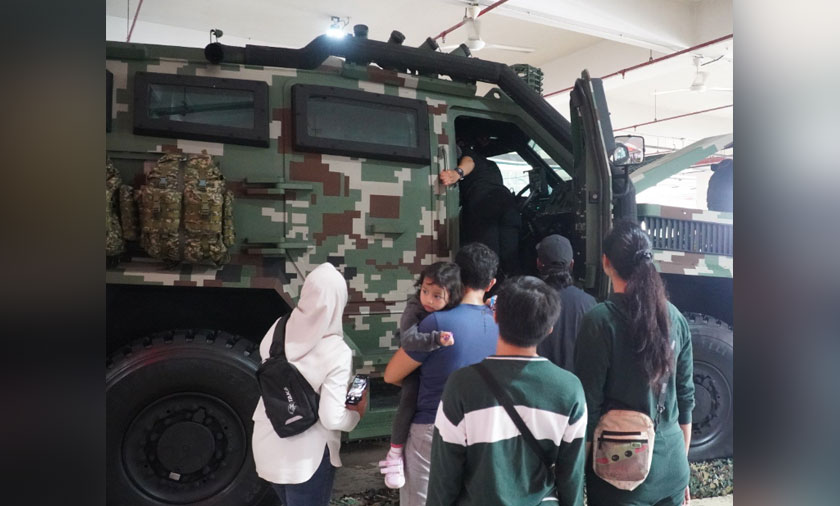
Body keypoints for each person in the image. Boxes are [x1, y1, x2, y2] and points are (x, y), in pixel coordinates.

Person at [427, 276, 588, 506]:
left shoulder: (461, 385)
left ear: (496, 316)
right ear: (550, 329)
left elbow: (444, 476)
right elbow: (571, 476)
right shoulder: (569, 390)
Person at [574, 221, 695, 506]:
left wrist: (575, 476)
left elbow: (588, 409)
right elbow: (686, 399)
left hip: (620, 474)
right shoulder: (675, 317)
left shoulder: (600, 321)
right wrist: (681, 470)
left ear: (606, 263)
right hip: (673, 465)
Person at [384, 242, 500, 506]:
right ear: (491, 283)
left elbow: (392, 375)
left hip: (433, 427)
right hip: (483, 428)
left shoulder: (437, 322)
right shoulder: (499, 322)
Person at [251, 262, 367, 506]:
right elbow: (332, 418)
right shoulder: (337, 350)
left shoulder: (277, 328)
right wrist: (356, 414)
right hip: (306, 460)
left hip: (267, 445)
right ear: (339, 301)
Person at [379, 262, 463, 489]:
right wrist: (435, 339)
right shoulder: (414, 308)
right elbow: (408, 340)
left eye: (437, 295)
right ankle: (395, 454)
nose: (428, 299)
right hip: (414, 366)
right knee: (408, 400)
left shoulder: (453, 310)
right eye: (425, 291)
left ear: (453, 296)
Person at [439, 135, 521, 279]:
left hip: (484, 205)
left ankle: (488, 289)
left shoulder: (469, 155)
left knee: (486, 257)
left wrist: (457, 173)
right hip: (507, 204)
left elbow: (469, 162)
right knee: (510, 256)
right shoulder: (491, 165)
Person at [534, 234, 596, 372]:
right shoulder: (589, 303)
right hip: (576, 388)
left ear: (538, 263)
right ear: (572, 264)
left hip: (537, 387)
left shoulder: (528, 301)